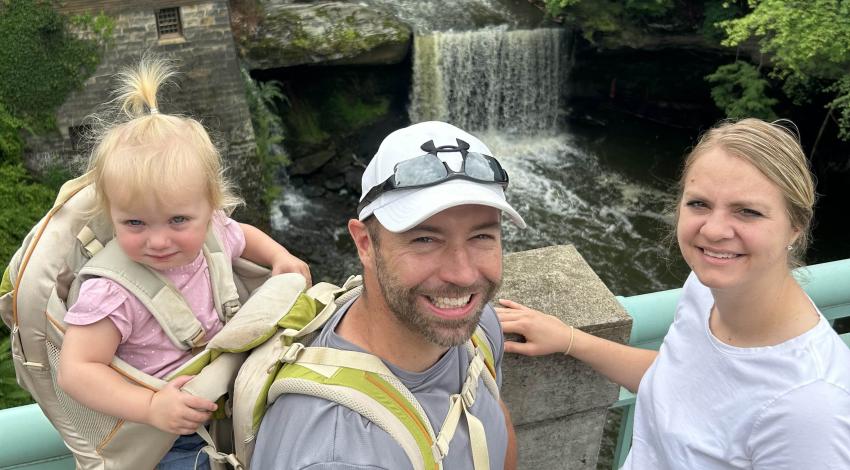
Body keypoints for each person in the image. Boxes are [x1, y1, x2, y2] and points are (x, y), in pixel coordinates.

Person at [497, 118, 850, 469]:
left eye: (748, 211)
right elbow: (677, 380)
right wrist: (570, 339)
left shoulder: (810, 407)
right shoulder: (705, 290)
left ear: (795, 227)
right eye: (699, 204)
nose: (713, 230)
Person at [56, 57, 310, 469]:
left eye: (178, 220)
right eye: (134, 223)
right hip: (169, 435)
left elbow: (244, 236)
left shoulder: (214, 231)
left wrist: (281, 258)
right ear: (111, 214)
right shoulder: (113, 291)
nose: (158, 241)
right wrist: (153, 405)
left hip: (234, 398)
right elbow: (76, 370)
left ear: (211, 206)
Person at [251, 121, 523, 469]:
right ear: (365, 243)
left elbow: (493, 417)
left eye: (481, 237)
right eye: (425, 239)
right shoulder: (337, 454)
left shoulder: (478, 326)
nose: (464, 275)